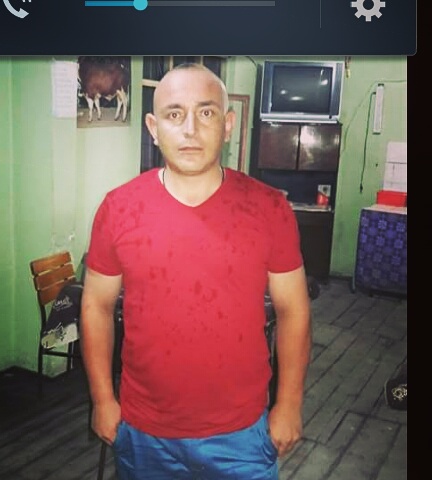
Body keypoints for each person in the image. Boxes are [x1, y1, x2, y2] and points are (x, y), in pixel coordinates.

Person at [80, 63, 311, 480]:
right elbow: (96, 306)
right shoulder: (118, 208)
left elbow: (293, 310)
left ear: (228, 125)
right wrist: (102, 399)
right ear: (153, 128)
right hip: (145, 431)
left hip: (241, 435)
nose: (190, 129)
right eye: (174, 114)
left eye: (206, 113)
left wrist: (289, 403)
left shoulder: (268, 208)